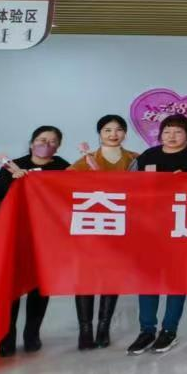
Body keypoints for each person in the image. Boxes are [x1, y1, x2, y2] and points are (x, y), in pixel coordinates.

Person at [0, 125, 69, 356]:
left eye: (52, 142)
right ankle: (7, 337)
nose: (46, 145)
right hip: (15, 233)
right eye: (42, 140)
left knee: (40, 285)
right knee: (11, 285)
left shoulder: (63, 167)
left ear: (58, 146)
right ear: (32, 143)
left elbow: (72, 196)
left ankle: (32, 334)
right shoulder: (13, 165)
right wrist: (12, 180)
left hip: (47, 236)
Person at [126, 114, 187, 356]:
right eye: (167, 131)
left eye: (178, 131)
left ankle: (169, 330)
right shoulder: (148, 156)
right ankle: (146, 330)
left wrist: (186, 182)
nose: (172, 136)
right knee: (148, 279)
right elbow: (129, 186)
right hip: (150, 227)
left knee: (175, 279)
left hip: (181, 226)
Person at [69, 114, 138, 350]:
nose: (113, 134)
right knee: (85, 276)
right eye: (107, 130)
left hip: (119, 225)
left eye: (118, 130)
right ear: (99, 133)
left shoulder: (134, 159)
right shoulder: (85, 160)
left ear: (125, 133)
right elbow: (62, 183)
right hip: (90, 226)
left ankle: (103, 327)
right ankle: (85, 330)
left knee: (112, 275)